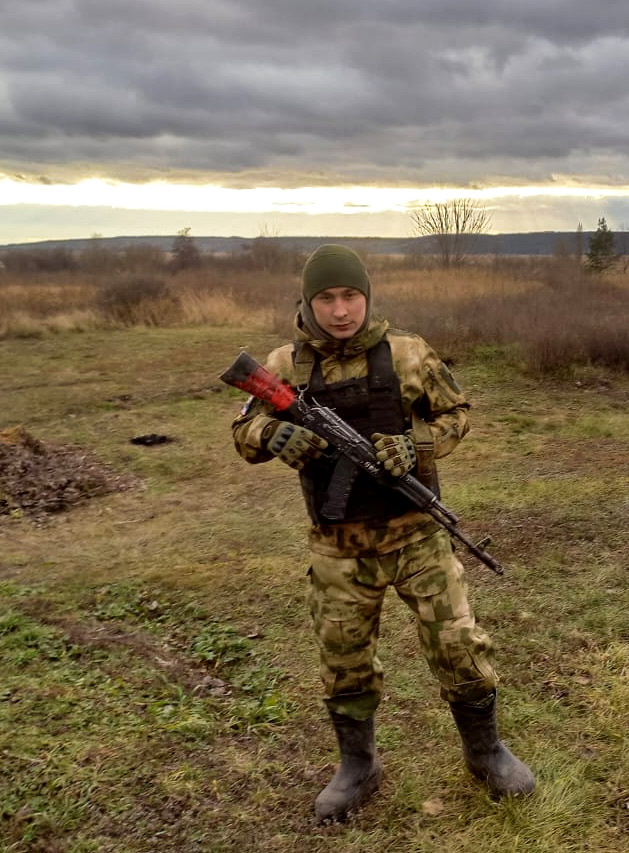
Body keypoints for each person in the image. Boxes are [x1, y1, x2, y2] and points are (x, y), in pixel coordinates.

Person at [231, 244, 534, 822]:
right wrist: (270, 438)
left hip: (417, 536)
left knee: (457, 647)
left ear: (367, 297)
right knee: (342, 659)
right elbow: (243, 430)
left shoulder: (410, 353)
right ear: (308, 301)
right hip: (337, 546)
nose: (340, 310)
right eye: (327, 298)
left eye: (351, 296)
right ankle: (358, 765)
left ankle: (486, 752)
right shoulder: (282, 365)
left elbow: (458, 414)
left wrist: (415, 445)